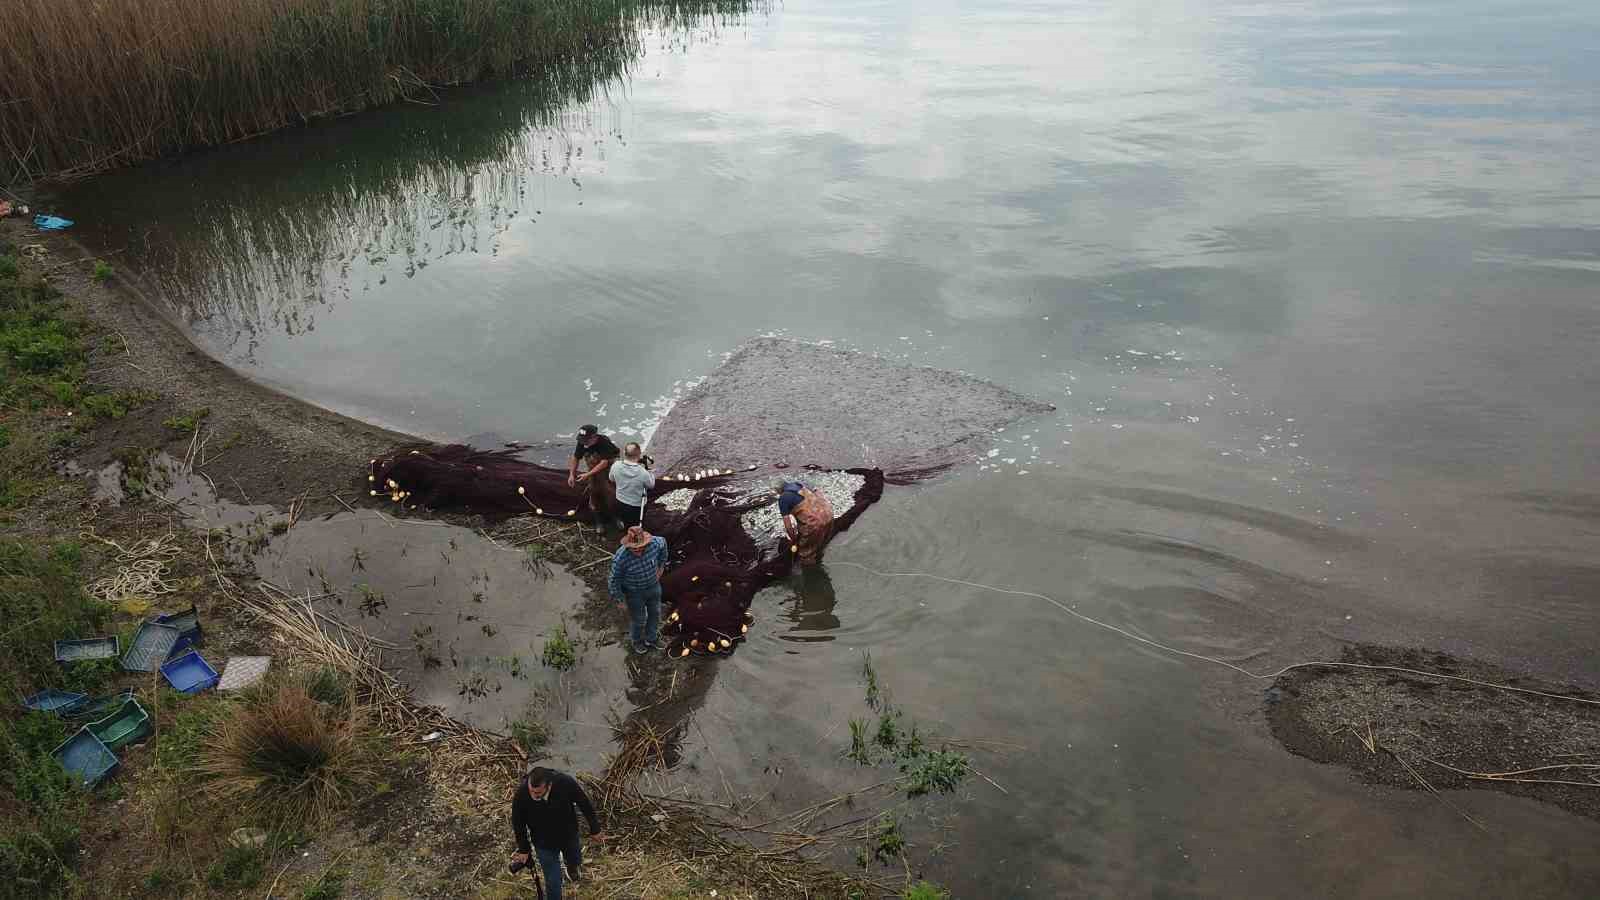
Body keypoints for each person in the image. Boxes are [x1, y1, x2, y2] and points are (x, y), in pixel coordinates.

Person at [510, 765, 604, 900]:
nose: (533, 795)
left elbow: (584, 803)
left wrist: (595, 829)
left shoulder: (565, 783)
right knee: (553, 881)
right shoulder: (522, 794)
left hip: (569, 834)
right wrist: (524, 849)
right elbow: (518, 823)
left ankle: (572, 867)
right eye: (531, 791)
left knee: (575, 858)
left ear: (549, 786)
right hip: (543, 842)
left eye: (537, 793)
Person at [608, 526, 668, 654]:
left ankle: (651, 638)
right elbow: (614, 580)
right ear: (628, 545)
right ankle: (637, 641)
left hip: (653, 586)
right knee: (639, 619)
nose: (638, 550)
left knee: (655, 613)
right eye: (634, 548)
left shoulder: (656, 543)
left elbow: (664, 543)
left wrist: (662, 565)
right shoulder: (621, 558)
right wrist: (620, 599)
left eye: (641, 547)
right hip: (634, 593)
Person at [568, 424, 621, 531]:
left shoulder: (604, 442)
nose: (584, 443)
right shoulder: (582, 442)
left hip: (608, 469)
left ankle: (615, 518)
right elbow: (576, 457)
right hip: (593, 470)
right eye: (582, 440)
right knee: (594, 493)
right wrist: (571, 474)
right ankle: (599, 521)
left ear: (594, 437)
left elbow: (604, 463)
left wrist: (587, 475)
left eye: (586, 440)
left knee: (610, 493)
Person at [780, 481, 835, 566]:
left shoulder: (783, 498)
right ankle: (819, 560)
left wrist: (793, 539)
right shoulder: (801, 485)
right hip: (829, 515)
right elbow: (819, 493)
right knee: (820, 546)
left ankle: (812, 574)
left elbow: (788, 526)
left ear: (780, 491)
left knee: (806, 554)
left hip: (815, 524)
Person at [608, 442, 655, 529]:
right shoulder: (643, 473)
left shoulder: (616, 465)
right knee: (636, 526)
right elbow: (651, 485)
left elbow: (611, 479)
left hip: (620, 501)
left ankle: (625, 529)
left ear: (624, 453)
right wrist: (650, 471)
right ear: (639, 454)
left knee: (626, 521)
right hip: (636, 506)